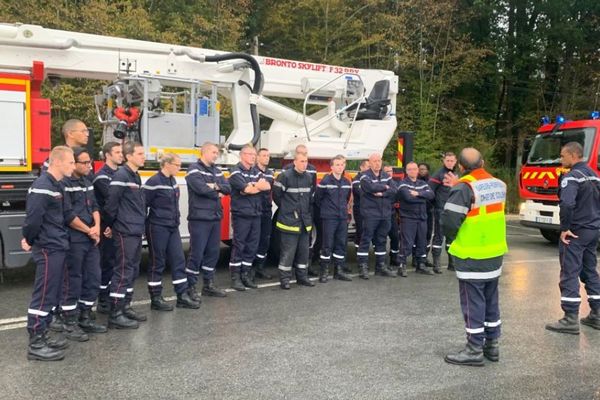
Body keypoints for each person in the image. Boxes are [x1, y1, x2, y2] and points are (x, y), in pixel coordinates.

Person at [441, 148, 507, 367]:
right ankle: (492, 345)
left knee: (473, 302)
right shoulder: (499, 184)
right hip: (495, 252)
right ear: (483, 162)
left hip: (472, 254)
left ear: (460, 166)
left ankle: (474, 349)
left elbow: (450, 222)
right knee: (491, 300)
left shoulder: (463, 187)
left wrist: (451, 240)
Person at [22, 146, 75, 361]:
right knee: (43, 295)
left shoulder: (56, 185)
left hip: (57, 245)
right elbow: (33, 219)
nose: (73, 166)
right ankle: (35, 344)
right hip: (48, 247)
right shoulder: (43, 186)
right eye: (71, 162)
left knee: (51, 294)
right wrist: (30, 239)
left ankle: (42, 335)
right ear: (57, 162)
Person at [545, 142, 600, 334]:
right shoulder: (594, 175)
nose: (561, 159)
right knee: (589, 271)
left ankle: (569, 318)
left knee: (569, 271)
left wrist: (565, 228)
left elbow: (567, 203)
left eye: (563, 156)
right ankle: (596, 314)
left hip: (576, 231)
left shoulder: (572, 177)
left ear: (573, 156)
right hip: (593, 230)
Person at [143, 153, 200, 311]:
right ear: (167, 164)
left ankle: (182, 295)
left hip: (172, 226)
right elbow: (143, 205)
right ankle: (156, 298)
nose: (179, 168)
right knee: (157, 262)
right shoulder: (153, 182)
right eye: (177, 164)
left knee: (179, 260)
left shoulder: (172, 180)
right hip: (157, 227)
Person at [60, 147, 106, 339]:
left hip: (91, 237)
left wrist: (97, 227)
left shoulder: (87, 181)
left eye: (90, 162)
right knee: (74, 280)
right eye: (84, 163)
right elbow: (68, 215)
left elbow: (95, 206)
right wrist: (89, 230)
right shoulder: (64, 184)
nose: (89, 166)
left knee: (94, 278)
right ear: (74, 163)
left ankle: (85, 316)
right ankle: (70, 322)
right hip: (76, 238)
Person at [104, 141, 147, 329]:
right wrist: (112, 225)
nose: (144, 157)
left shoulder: (134, 176)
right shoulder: (121, 175)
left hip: (135, 229)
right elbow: (111, 204)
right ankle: (115, 313)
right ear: (128, 156)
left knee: (132, 270)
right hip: (125, 230)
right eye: (139, 154)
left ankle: (125, 306)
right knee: (122, 271)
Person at [185, 142, 231, 298]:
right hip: (199, 218)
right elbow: (201, 189)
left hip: (215, 216)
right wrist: (217, 190)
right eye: (213, 152)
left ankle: (208, 285)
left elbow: (228, 188)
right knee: (196, 254)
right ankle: (190, 287)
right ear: (203, 152)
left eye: (217, 152)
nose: (216, 155)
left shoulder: (217, 171)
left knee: (213, 252)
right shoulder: (193, 169)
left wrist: (214, 186)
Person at [228, 145, 271, 291]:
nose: (253, 156)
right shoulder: (235, 172)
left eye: (254, 154)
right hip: (242, 215)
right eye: (250, 154)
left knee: (252, 246)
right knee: (239, 245)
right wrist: (253, 187)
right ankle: (235, 277)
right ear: (242, 155)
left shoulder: (255, 171)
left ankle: (246, 275)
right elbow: (246, 189)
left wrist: (253, 186)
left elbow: (266, 186)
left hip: (256, 214)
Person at [273, 152, 316, 289]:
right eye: (302, 161)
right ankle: (285, 279)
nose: (305, 164)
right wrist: (287, 208)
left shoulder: (309, 177)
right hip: (289, 222)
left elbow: (309, 199)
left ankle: (302, 277)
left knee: (304, 252)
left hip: (304, 222)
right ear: (295, 162)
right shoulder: (285, 176)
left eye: (306, 161)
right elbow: (277, 196)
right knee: (288, 252)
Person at [92, 142, 123, 314]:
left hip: (116, 224)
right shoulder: (101, 177)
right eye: (117, 152)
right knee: (107, 261)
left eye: (121, 152)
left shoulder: (120, 174)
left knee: (116, 262)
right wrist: (110, 224)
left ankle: (112, 295)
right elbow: (114, 200)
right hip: (106, 225)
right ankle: (103, 299)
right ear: (107, 155)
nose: (121, 155)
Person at [356, 153, 398, 279]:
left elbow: (394, 190)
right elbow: (370, 188)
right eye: (374, 161)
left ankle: (380, 267)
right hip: (370, 214)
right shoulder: (364, 176)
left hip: (385, 214)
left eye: (379, 161)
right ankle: (362, 267)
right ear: (369, 162)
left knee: (382, 240)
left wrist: (383, 193)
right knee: (366, 240)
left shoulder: (386, 176)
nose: (377, 163)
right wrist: (385, 187)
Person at [315, 155, 353, 283]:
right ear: (331, 167)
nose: (340, 167)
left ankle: (339, 271)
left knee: (341, 244)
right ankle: (324, 271)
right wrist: (328, 210)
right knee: (327, 244)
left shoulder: (347, 183)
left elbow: (347, 199)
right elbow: (318, 199)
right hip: (329, 217)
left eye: (342, 164)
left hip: (342, 217)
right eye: (337, 165)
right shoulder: (325, 181)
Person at [397, 162, 435, 276]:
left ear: (417, 170)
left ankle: (421, 265)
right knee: (407, 243)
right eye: (410, 169)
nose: (413, 171)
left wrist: (417, 194)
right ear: (406, 171)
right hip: (408, 218)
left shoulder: (422, 183)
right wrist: (423, 196)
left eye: (414, 169)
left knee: (422, 242)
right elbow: (408, 198)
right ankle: (401, 265)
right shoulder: (403, 184)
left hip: (422, 217)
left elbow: (431, 195)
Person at [430, 152, 458, 271]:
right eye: (448, 160)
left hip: (453, 210)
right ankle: (436, 263)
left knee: (451, 237)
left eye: (452, 161)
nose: (450, 163)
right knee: (439, 236)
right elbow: (430, 190)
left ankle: (452, 263)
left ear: (455, 161)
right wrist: (435, 206)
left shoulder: (457, 174)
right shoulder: (438, 174)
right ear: (444, 161)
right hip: (441, 209)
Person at [253, 148, 275, 279]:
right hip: (255, 210)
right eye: (264, 155)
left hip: (266, 210)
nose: (267, 158)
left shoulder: (270, 173)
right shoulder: (253, 171)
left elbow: (270, 189)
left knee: (265, 240)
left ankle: (260, 268)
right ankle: (248, 268)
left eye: (268, 155)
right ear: (257, 157)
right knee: (252, 240)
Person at [414, 162, 436, 271]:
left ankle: (425, 257)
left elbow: (432, 195)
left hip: (429, 211)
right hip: (417, 211)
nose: (422, 171)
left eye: (424, 169)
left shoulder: (431, 182)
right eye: (420, 169)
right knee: (416, 236)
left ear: (428, 170)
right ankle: (415, 258)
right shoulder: (415, 182)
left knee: (427, 235)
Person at [383, 164, 401, 269]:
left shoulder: (397, 183)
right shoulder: (379, 182)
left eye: (390, 171)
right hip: (381, 214)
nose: (388, 173)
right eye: (386, 171)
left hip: (392, 213)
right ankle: (382, 261)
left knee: (395, 236)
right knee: (381, 238)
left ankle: (394, 257)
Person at [352, 160, 369, 264]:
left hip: (370, 210)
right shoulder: (356, 179)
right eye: (367, 167)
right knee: (361, 231)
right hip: (360, 209)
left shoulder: (371, 178)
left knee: (368, 232)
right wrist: (373, 190)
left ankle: (364, 252)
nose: (369, 169)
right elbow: (360, 192)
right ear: (361, 168)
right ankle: (359, 252)